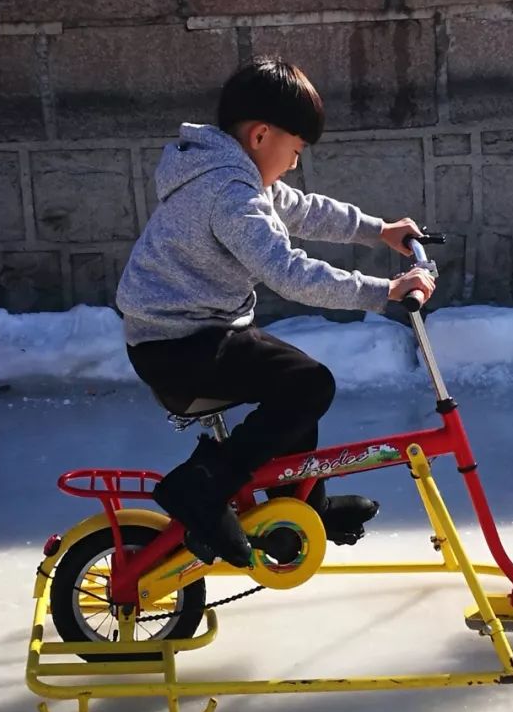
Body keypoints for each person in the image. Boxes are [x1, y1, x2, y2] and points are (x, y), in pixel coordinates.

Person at [116, 57, 436, 569]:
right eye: (295, 150)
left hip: (190, 333)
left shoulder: (227, 172)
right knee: (306, 386)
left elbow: (303, 209)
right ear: (262, 135)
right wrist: (386, 292)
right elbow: (289, 273)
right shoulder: (228, 192)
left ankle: (302, 504)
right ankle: (202, 484)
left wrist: (378, 230)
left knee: (296, 379)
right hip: (177, 347)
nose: (293, 163)